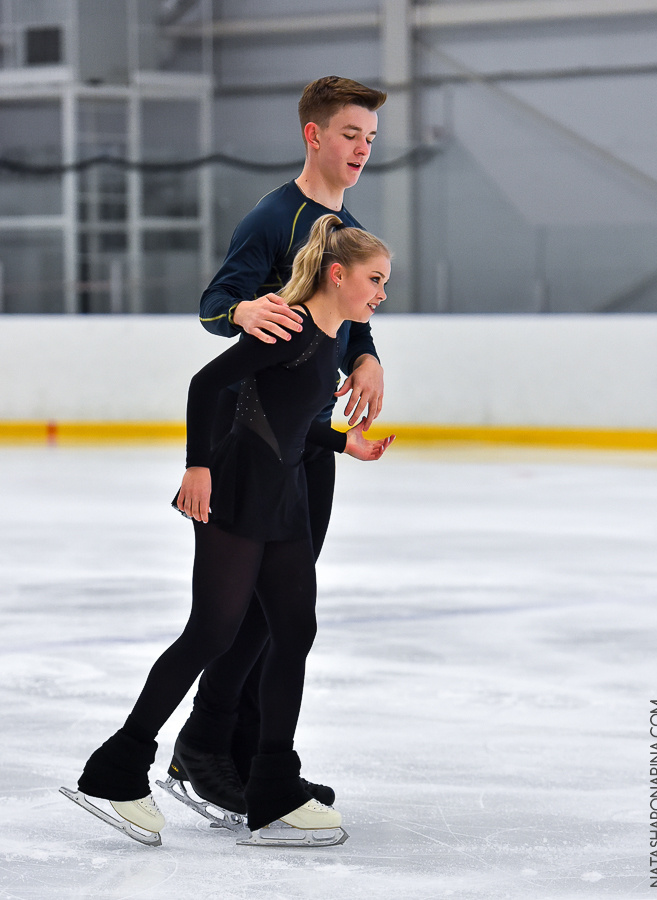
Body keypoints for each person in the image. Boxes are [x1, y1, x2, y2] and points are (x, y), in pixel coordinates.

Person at [68, 215, 394, 845]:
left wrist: (341, 441)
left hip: (282, 497)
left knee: (293, 630)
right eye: (374, 279)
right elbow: (209, 385)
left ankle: (274, 788)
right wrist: (197, 466)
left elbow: (288, 417)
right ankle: (118, 768)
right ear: (337, 273)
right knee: (212, 633)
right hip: (239, 493)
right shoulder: (292, 327)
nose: (381, 294)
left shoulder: (329, 339)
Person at [164, 76, 388, 817]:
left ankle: (256, 759)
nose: (361, 148)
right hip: (254, 435)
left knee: (279, 608)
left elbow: (347, 314)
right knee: (253, 609)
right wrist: (240, 307)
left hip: (308, 439)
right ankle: (208, 746)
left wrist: (367, 354)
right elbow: (213, 307)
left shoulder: (342, 222)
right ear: (313, 136)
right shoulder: (275, 217)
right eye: (350, 134)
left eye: (370, 138)